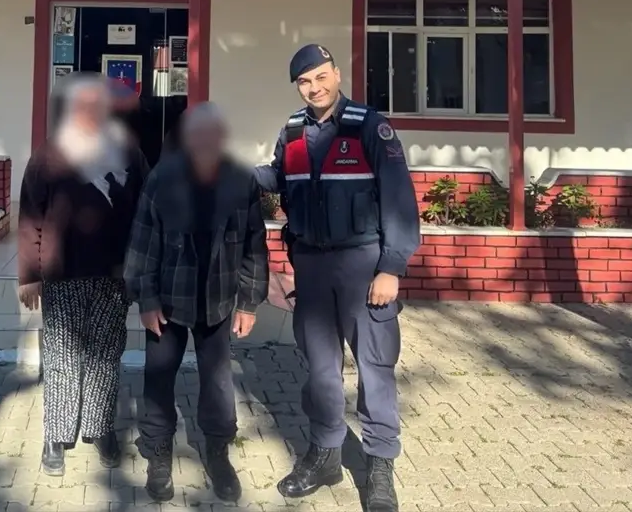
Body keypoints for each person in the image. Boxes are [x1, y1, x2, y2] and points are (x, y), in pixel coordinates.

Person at [254, 44, 420, 512]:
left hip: (363, 266)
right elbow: (280, 180)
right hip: (311, 265)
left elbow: (400, 201)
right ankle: (325, 454)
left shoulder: (370, 126)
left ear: (337, 74)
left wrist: (391, 266)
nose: (315, 87)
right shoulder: (292, 130)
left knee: (375, 367)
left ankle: (380, 466)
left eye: (321, 77)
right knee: (321, 369)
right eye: (305, 82)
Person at [124, 102, 269, 503]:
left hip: (218, 300)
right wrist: (146, 299)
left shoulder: (241, 181)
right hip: (169, 301)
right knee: (158, 378)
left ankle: (219, 451)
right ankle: (157, 450)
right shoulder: (162, 178)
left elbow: (255, 246)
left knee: (219, 381)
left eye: (212, 135)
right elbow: (142, 244)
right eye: (196, 135)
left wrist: (249, 302)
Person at [17, 74, 151, 477]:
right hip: (63, 273)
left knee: (105, 356)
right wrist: (28, 274)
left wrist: (142, 269)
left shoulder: (129, 151)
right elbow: (30, 215)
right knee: (62, 357)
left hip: (114, 275)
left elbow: (146, 213)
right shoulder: (50, 153)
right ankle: (56, 435)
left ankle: (99, 427)